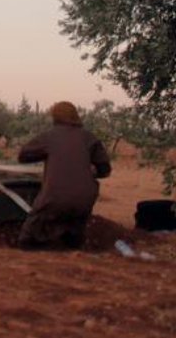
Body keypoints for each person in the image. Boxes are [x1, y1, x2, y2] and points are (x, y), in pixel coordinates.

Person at [17, 101, 111, 249]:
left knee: (27, 239)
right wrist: (90, 170)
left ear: (55, 117)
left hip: (53, 198)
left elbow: (23, 156)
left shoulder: (49, 137)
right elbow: (105, 170)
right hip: (84, 200)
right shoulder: (89, 138)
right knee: (73, 239)